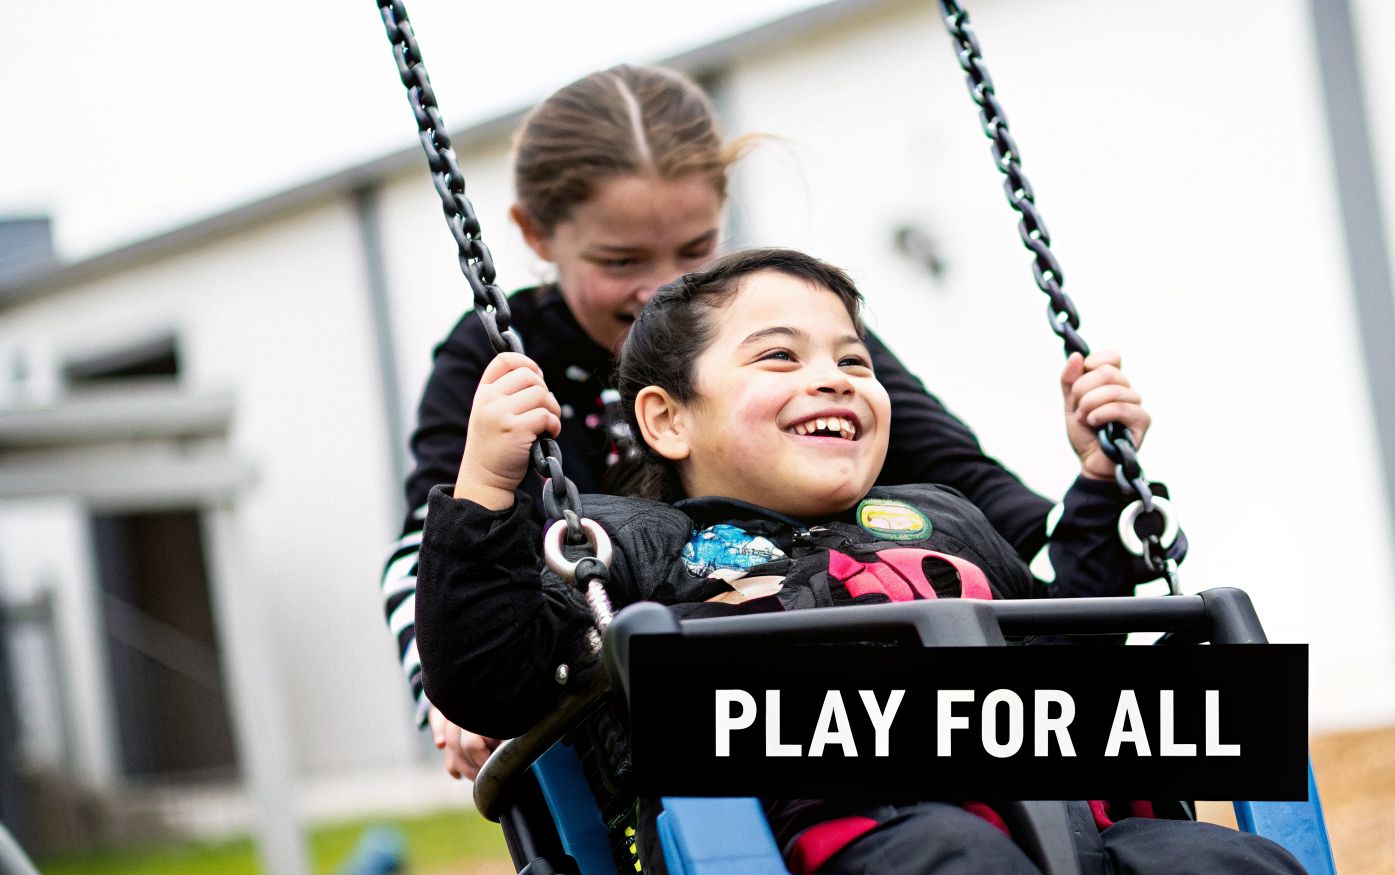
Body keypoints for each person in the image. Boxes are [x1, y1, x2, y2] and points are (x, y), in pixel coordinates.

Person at [413, 249, 1395, 875]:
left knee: (1215, 865)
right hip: (856, 839)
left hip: (1072, 819)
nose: (833, 379)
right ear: (668, 420)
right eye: (780, 358)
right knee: (963, 867)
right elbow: (491, 671)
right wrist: (484, 492)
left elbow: (1060, 637)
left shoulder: (938, 517)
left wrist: (1099, 489)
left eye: (852, 361)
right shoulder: (636, 545)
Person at [382, 65, 1091, 782]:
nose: (657, 286)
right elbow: (430, 542)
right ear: (536, 234)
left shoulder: (789, 342)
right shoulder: (503, 356)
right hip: (639, 702)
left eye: (694, 251)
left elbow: (969, 488)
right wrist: (443, 693)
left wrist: (1095, 517)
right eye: (620, 259)